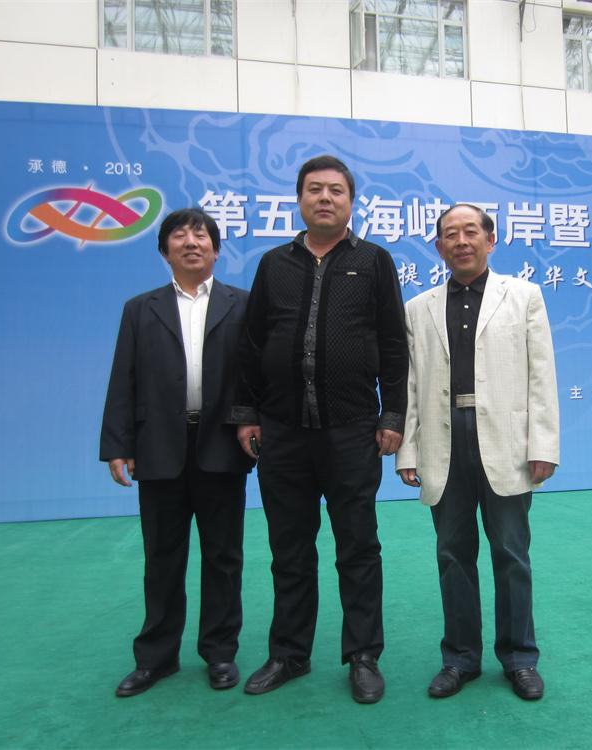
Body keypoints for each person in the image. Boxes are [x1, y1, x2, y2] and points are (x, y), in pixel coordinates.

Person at [233, 155, 407, 704]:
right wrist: (247, 413)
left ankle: (363, 655)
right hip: (283, 432)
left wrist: (393, 414)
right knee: (289, 549)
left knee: (358, 547)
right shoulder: (273, 264)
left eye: (336, 190)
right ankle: (289, 653)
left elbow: (394, 344)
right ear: (299, 200)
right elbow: (251, 343)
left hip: (352, 430)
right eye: (314, 189)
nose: (325, 198)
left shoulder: (374, 261)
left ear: (351, 202)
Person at [395, 203, 559, 701]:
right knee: (452, 554)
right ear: (438, 247)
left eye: (471, 232)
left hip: (507, 442)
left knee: (511, 553)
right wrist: (408, 451)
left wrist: (543, 444)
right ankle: (460, 659)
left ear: (491, 240)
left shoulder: (524, 296)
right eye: (451, 234)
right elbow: (411, 383)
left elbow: (541, 375)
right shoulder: (418, 308)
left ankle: (520, 658)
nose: (461, 241)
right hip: (444, 440)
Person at [100, 207, 254, 697]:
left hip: (220, 445)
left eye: (202, 235)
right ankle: (156, 658)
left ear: (216, 249)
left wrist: (254, 423)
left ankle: (220, 652)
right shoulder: (140, 309)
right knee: (162, 556)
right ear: (164, 250)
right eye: (181, 236)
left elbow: (255, 375)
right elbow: (123, 378)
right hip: (159, 446)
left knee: (223, 556)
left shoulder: (242, 305)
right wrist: (118, 444)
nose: (192, 243)